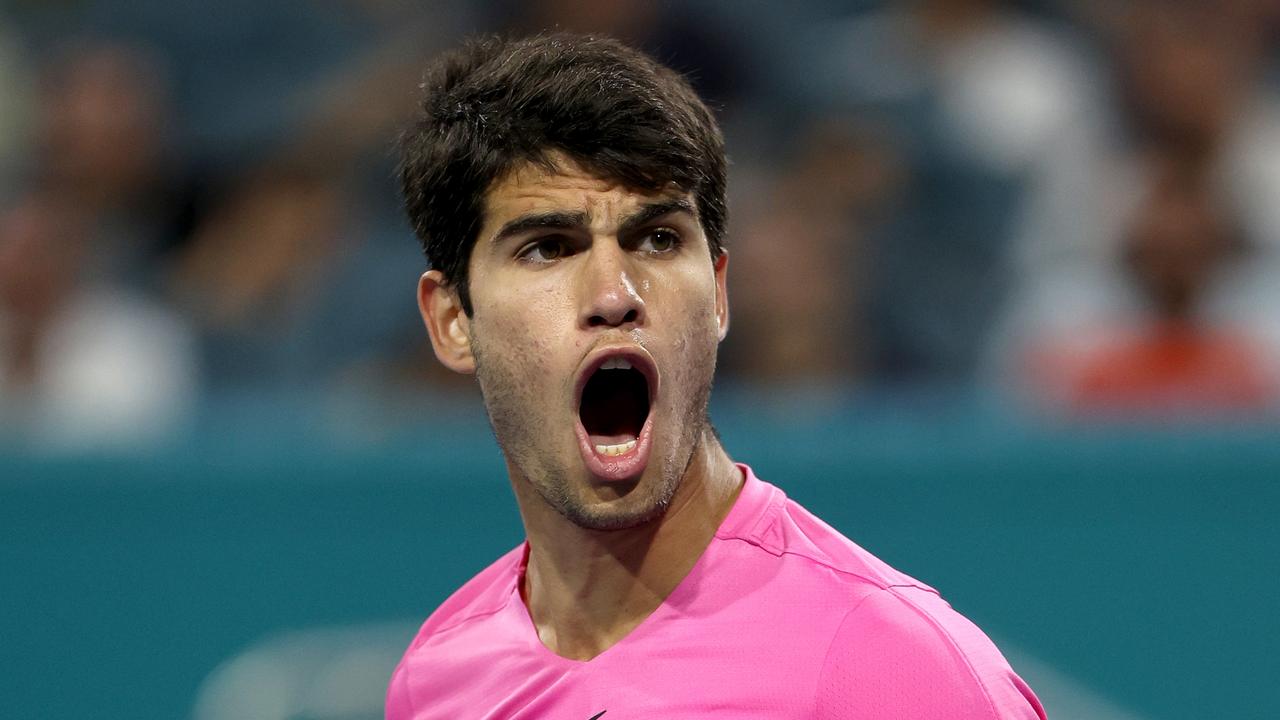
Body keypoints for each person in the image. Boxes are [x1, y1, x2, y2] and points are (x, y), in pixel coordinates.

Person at [388, 33, 1046, 718]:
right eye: (549, 248)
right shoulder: (438, 679)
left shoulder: (890, 666)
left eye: (658, 239)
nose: (615, 294)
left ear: (719, 294)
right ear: (452, 320)